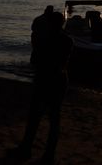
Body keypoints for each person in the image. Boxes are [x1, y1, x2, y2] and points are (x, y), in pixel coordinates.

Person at [15, 11, 73, 163]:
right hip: (59, 79)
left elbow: (34, 60)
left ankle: (26, 148)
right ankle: (49, 155)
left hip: (45, 78)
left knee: (35, 116)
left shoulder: (45, 39)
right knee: (54, 119)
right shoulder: (68, 40)